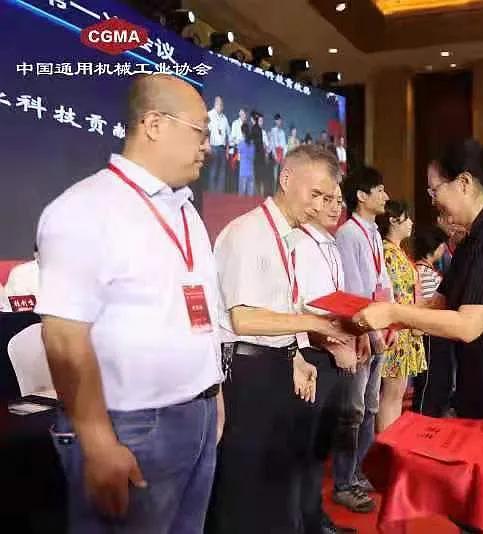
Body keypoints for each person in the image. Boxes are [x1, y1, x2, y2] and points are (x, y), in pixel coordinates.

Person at [37, 74, 224, 532]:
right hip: (131, 426)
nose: (208, 146)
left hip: (197, 415)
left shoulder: (185, 210)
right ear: (154, 125)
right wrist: (98, 442)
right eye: (200, 131)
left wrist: (213, 393)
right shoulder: (83, 209)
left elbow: (199, 315)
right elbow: (63, 338)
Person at [353, 140, 483, 534]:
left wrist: (393, 313)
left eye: (434, 190)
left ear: (463, 183)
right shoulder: (473, 239)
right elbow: (440, 304)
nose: (433, 201)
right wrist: (383, 319)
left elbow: (467, 325)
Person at [207, 144, 353, 534]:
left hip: (272, 367)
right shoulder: (249, 233)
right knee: (245, 486)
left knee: (274, 482)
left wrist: (294, 354)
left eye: (327, 197)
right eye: (316, 194)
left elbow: (273, 309)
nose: (319, 205)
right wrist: (318, 324)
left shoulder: (286, 237)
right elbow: (243, 318)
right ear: (286, 179)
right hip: (246, 372)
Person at [294, 181, 358, 533]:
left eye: (338, 200)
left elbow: (338, 302)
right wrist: (334, 345)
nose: (335, 207)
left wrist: (357, 334)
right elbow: (299, 308)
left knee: (321, 446)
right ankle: (305, 522)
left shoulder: (331, 244)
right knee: (305, 448)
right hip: (311, 356)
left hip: (335, 352)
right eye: (327, 199)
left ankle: (315, 517)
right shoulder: (300, 243)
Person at [332, 166, 393, 513]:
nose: (386, 196)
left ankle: (360, 471)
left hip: (377, 329)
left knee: (369, 407)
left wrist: (390, 326)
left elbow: (382, 284)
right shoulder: (349, 235)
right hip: (361, 333)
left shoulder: (372, 233)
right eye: (379, 190)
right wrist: (370, 332)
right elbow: (355, 291)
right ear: (361, 196)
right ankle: (344, 482)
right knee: (352, 411)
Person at [375, 200, 426, 431]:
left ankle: (391, 440)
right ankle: (386, 443)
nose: (411, 223)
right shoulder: (387, 252)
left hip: (406, 328)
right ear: (393, 221)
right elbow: (393, 294)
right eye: (407, 218)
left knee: (397, 393)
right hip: (396, 330)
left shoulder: (397, 251)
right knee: (391, 394)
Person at [411, 226, 455, 417]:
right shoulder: (422, 272)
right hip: (430, 335)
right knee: (429, 383)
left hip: (438, 333)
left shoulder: (428, 270)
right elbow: (429, 305)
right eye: (442, 245)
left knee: (440, 380)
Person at [207, 96, 229, 192]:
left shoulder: (225, 118)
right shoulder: (209, 115)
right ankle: (212, 193)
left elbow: (228, 135)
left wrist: (227, 150)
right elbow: (206, 132)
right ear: (215, 104)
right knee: (213, 170)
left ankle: (220, 194)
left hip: (222, 148)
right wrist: (207, 145)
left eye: (222, 104)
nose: (221, 106)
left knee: (222, 172)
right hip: (213, 147)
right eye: (219, 104)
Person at [238, 112, 256, 196]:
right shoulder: (253, 144)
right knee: (250, 198)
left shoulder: (240, 144)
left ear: (242, 132)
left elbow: (238, 158)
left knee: (241, 197)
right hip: (251, 172)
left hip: (243, 172)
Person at [269, 114, 288, 193]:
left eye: (280, 120)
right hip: (276, 153)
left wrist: (284, 155)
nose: (279, 122)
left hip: (281, 154)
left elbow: (284, 145)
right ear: (275, 121)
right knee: (275, 175)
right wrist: (275, 155)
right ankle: (274, 192)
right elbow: (272, 144)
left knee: (281, 175)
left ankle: (280, 192)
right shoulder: (273, 130)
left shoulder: (282, 132)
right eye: (277, 120)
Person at [229, 108, 247, 190]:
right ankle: (234, 191)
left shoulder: (247, 125)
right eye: (242, 114)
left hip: (245, 151)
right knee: (235, 171)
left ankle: (241, 191)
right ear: (239, 114)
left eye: (245, 114)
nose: (243, 115)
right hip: (237, 150)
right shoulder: (235, 123)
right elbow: (232, 138)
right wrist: (239, 142)